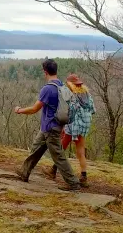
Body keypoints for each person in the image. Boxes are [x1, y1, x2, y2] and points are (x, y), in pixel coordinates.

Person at [14, 59, 81, 191]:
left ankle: (73, 183)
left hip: (51, 128)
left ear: (45, 72)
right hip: (50, 127)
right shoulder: (61, 85)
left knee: (58, 156)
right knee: (36, 148)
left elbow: (34, 109)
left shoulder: (48, 89)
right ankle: (24, 172)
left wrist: (19, 110)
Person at [41, 74, 95, 187]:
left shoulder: (71, 95)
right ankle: (83, 177)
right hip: (85, 125)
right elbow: (93, 110)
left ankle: (53, 171)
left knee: (61, 147)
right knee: (80, 150)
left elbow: (67, 110)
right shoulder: (87, 94)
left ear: (70, 84)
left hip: (73, 125)